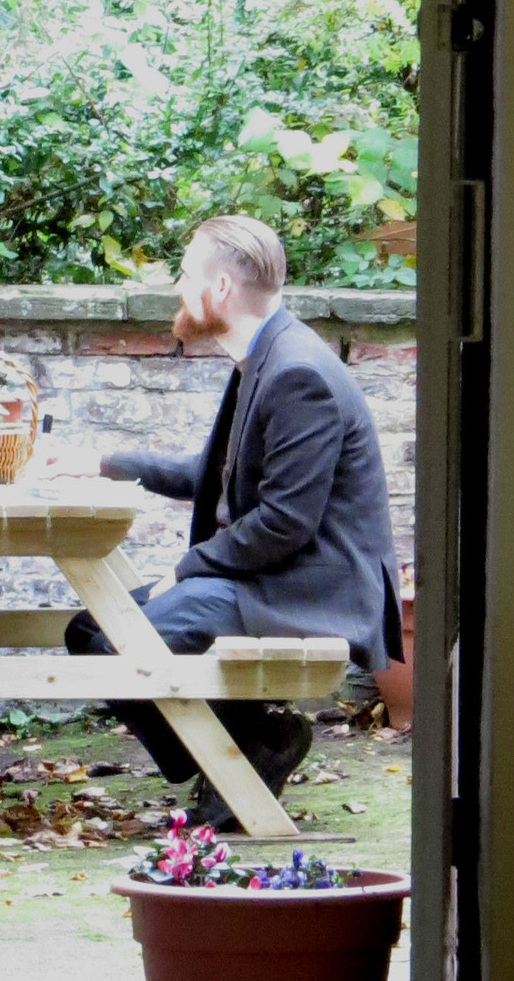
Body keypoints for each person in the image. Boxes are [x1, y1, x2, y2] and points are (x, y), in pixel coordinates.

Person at [58, 213, 405, 826]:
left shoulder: (297, 373)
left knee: (122, 641)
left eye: (185, 274)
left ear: (219, 288)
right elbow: (219, 475)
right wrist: (105, 464)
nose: (177, 288)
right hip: (275, 575)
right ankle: (247, 744)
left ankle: (241, 756)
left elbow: (283, 523)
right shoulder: (265, 355)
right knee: (89, 629)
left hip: (311, 588)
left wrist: (184, 569)